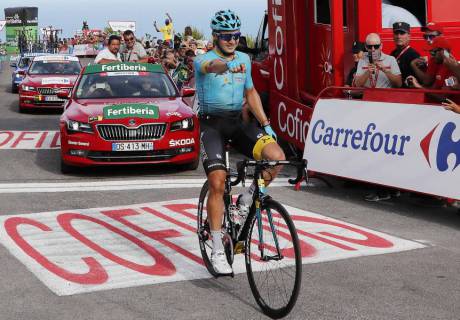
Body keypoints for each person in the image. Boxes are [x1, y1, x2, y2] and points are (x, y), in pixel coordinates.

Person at [194, 10, 285, 275]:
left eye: (235, 35)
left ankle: (246, 199)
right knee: (217, 182)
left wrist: (266, 123)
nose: (232, 40)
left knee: (276, 157)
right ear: (215, 37)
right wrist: (227, 65)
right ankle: (218, 247)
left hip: (238, 122)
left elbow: (251, 92)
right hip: (212, 125)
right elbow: (212, 68)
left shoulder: (245, 58)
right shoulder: (203, 59)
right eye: (226, 36)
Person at [390, 22, 421, 87]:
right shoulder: (392, 54)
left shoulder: (414, 55)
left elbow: (419, 81)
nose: (399, 36)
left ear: (409, 36)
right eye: (396, 33)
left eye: (402, 33)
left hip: (408, 93)